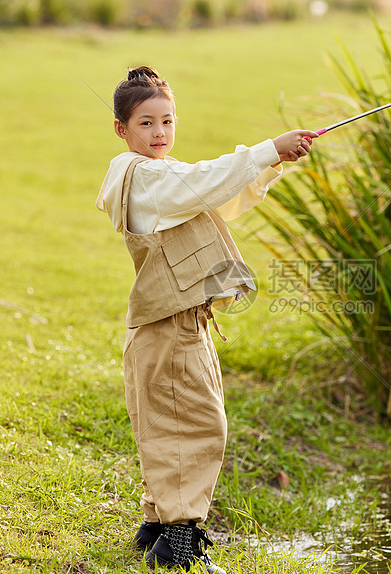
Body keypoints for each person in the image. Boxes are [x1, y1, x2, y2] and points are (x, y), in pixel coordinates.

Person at [95, 66, 317, 573]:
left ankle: (156, 523)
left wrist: (273, 159)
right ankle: (178, 542)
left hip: (178, 326)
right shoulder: (145, 178)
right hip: (169, 329)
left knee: (169, 425)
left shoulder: (157, 179)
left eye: (167, 121)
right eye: (146, 122)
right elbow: (200, 183)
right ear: (121, 128)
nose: (159, 133)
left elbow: (215, 196)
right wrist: (265, 148)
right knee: (198, 426)